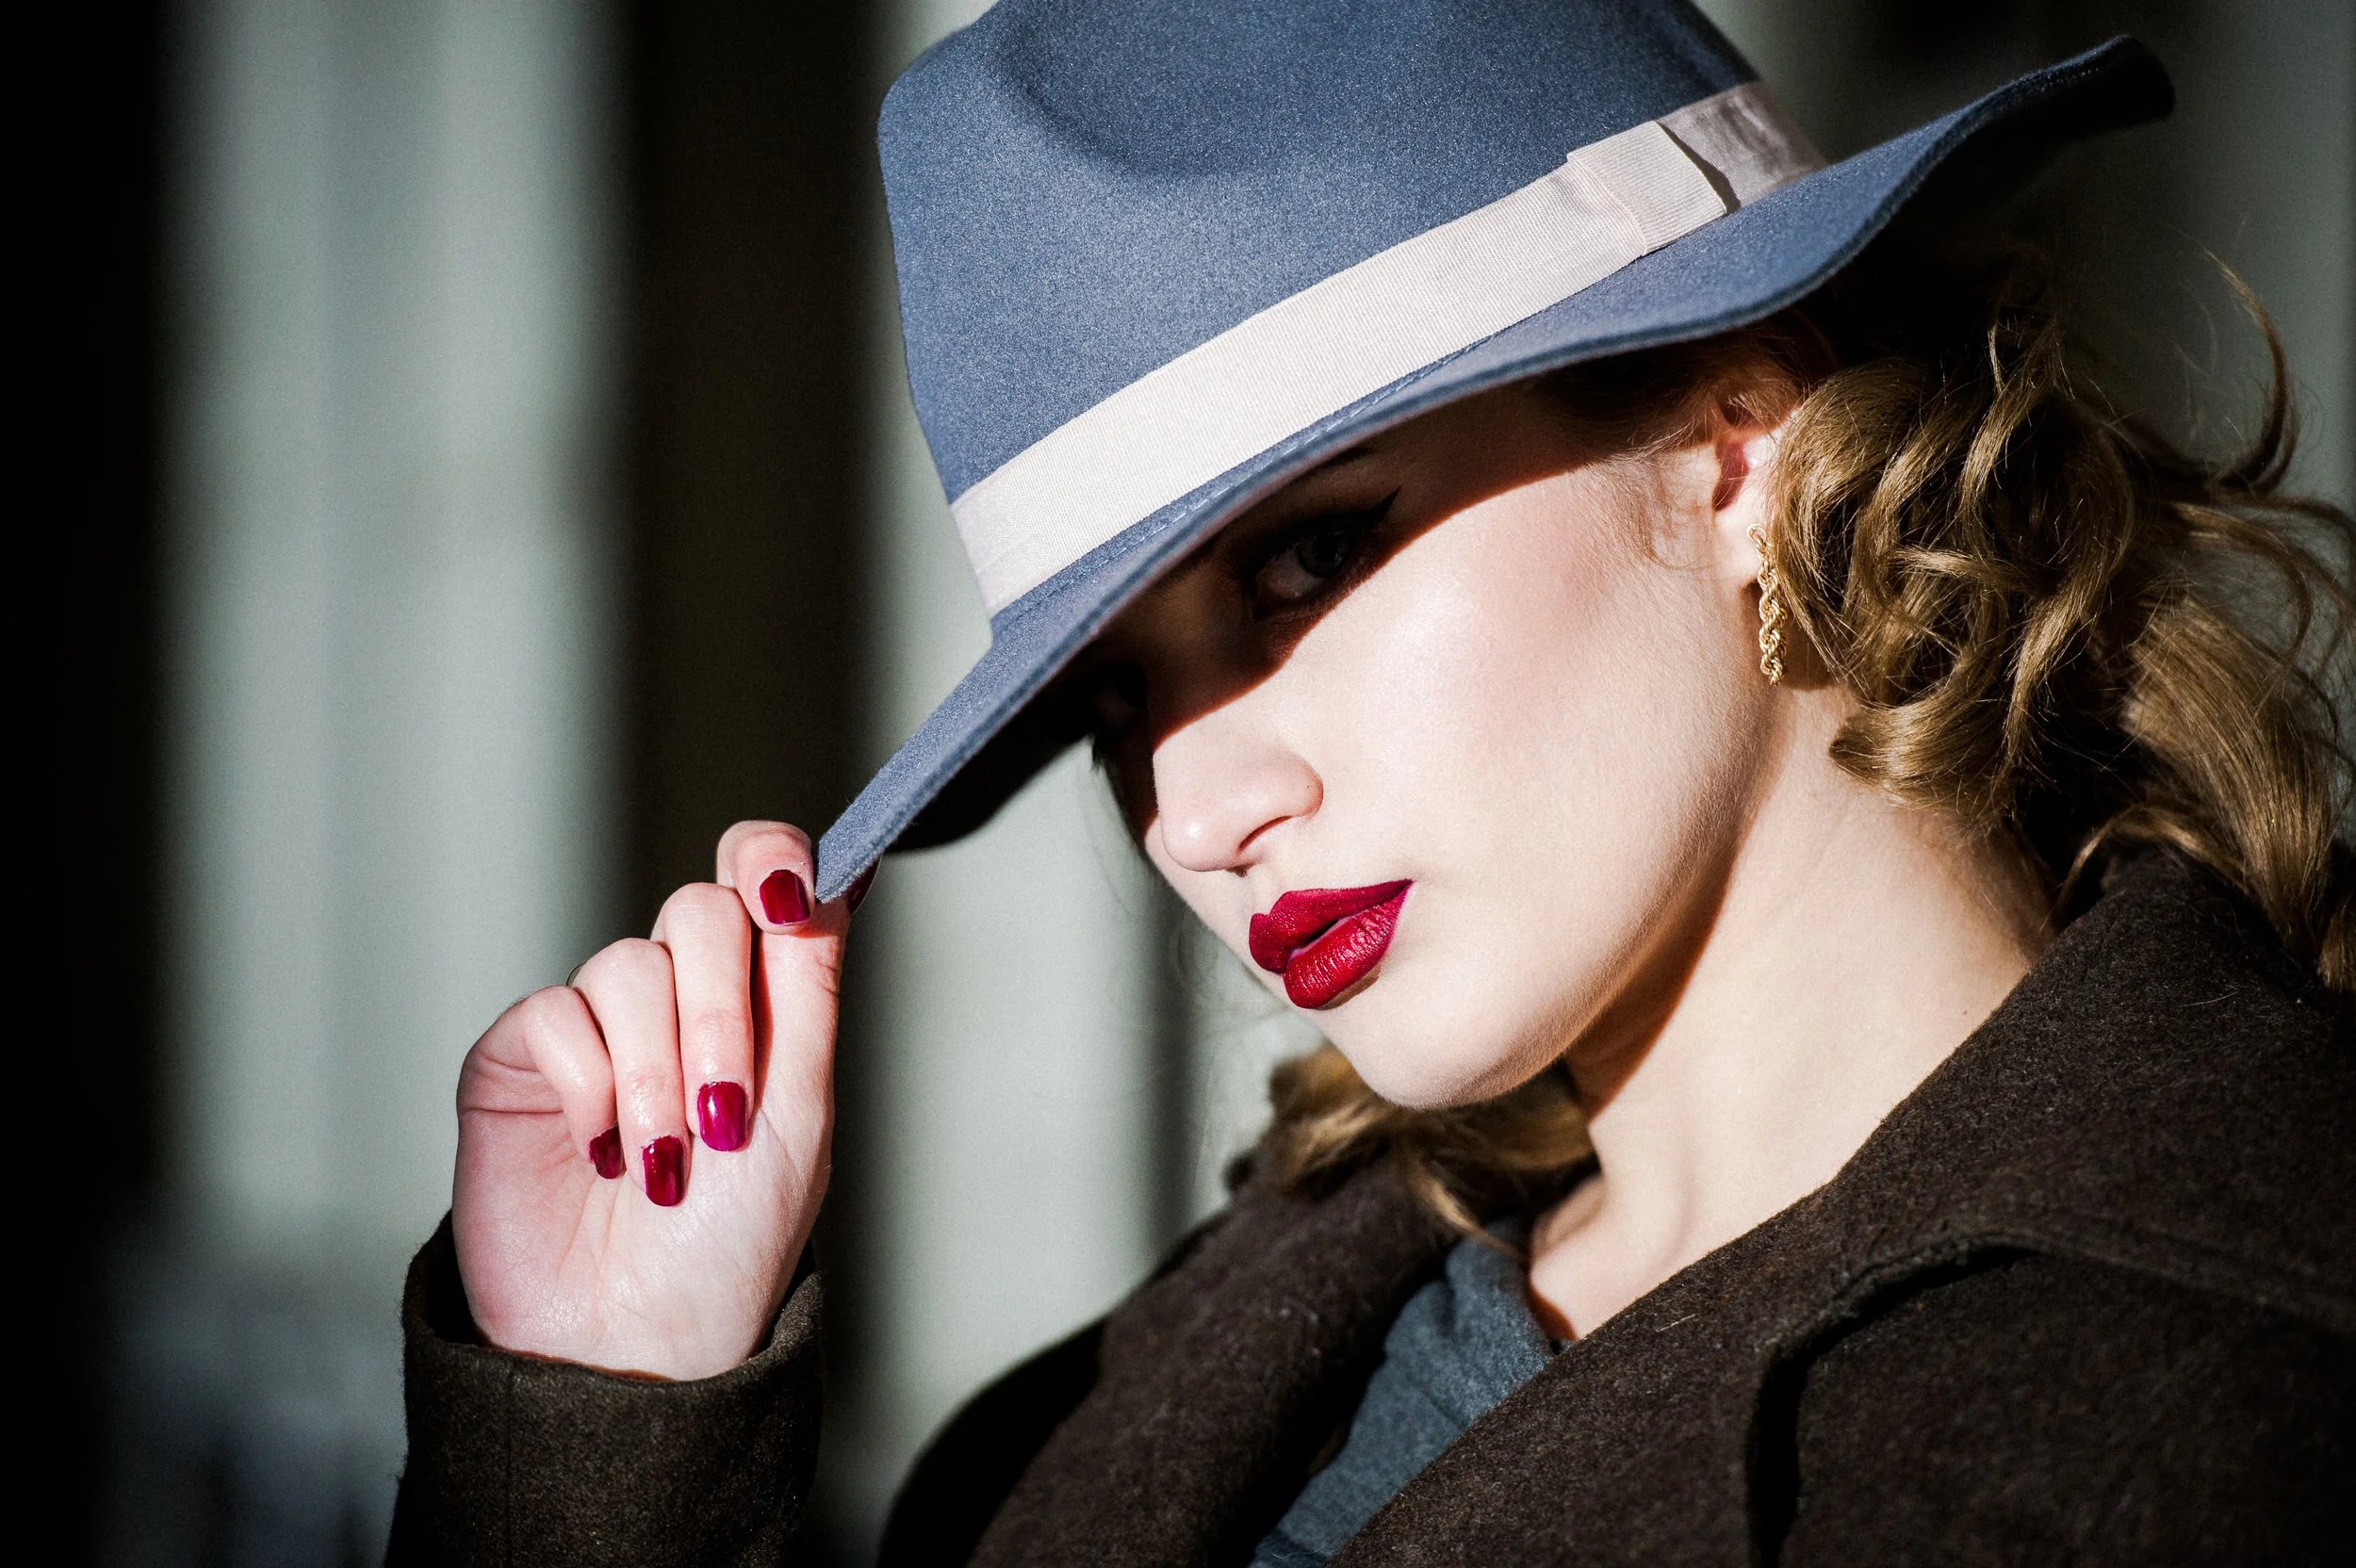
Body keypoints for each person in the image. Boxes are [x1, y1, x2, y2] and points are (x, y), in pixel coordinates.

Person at [389, 2, 2356, 1562]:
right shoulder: (1208, 1356)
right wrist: (601, 1436)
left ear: (1737, 444)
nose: (1184, 805)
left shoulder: (2199, 1427)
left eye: (1303, 559)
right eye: (1112, 697)